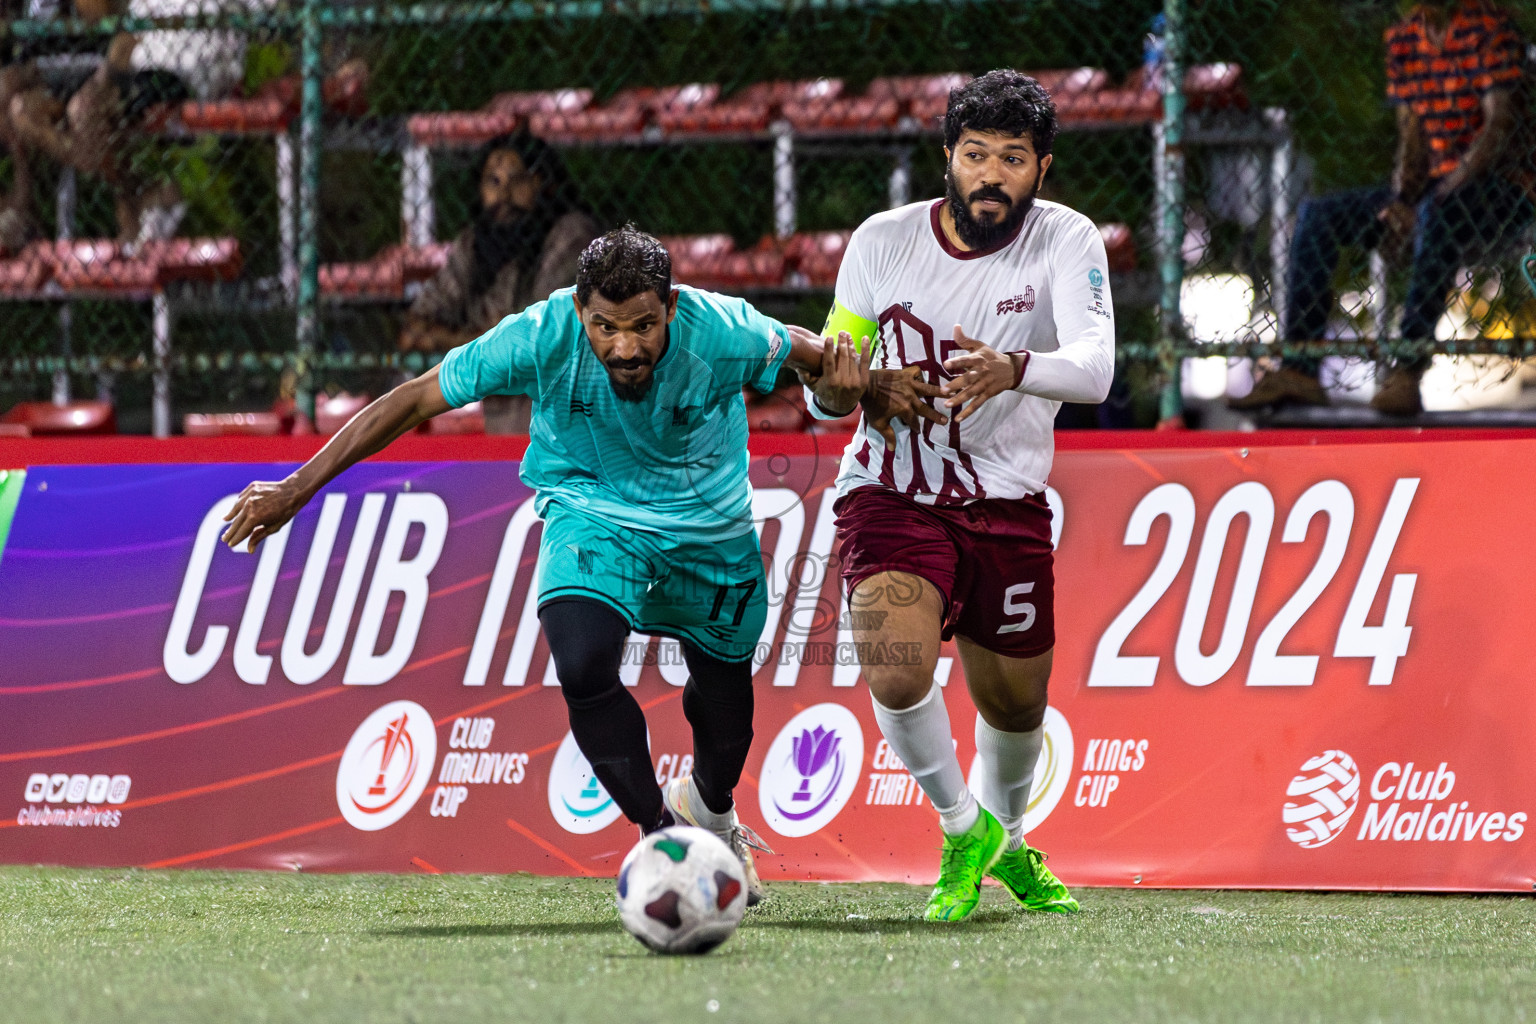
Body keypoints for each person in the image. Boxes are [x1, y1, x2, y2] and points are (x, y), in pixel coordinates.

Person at [220, 225, 936, 906]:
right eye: (605, 327)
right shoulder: (537, 336)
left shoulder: (723, 330)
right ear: (577, 312)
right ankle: (663, 838)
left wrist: (868, 387)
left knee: (724, 710)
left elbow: (815, 357)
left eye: (643, 327)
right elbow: (414, 399)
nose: (625, 346)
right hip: (589, 514)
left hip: (710, 535)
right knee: (583, 661)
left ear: (672, 310)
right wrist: (295, 488)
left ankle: (711, 814)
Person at [808, 69, 1112, 921]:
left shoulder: (1065, 239)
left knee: (1015, 702)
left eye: (1011, 159)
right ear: (947, 157)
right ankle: (958, 825)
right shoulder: (882, 242)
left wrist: (1014, 367)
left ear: (1040, 169)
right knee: (896, 664)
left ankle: (1006, 842)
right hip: (891, 489)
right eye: (974, 154)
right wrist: (857, 390)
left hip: (1007, 498)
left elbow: (1094, 370)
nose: (990, 174)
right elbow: (828, 382)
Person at [1233, 0, 1530, 417]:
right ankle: (1300, 366)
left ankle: (1407, 369)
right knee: (1321, 217)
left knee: (1438, 214)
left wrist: (1439, 193)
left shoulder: (1489, 29)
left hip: (1500, 191)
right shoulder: (1405, 40)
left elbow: (1498, 127)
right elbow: (1412, 134)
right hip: (1433, 193)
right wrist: (1402, 201)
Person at [400, 132, 601, 433]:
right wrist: (486, 339)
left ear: (543, 184)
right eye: (493, 182)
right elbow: (412, 332)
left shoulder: (570, 235)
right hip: (505, 424)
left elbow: (537, 341)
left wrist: (462, 340)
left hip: (567, 424)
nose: (504, 196)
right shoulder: (475, 245)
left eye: (517, 181)